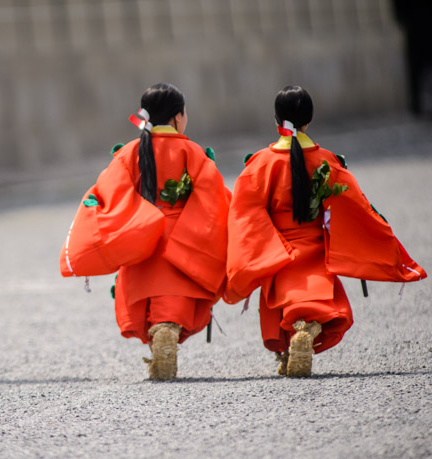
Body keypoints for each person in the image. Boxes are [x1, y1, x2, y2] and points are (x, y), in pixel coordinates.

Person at [225, 85, 427, 377]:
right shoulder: (326, 160)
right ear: (310, 119)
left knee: (280, 303)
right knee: (321, 305)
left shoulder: (260, 164)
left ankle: (288, 348)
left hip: (279, 254)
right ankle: (307, 328)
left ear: (276, 119)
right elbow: (356, 206)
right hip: (316, 251)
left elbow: (244, 213)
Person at [60, 83, 231, 380]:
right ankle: (168, 330)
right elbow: (214, 197)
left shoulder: (128, 153)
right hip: (183, 240)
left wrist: (131, 222)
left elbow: (108, 194)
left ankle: (158, 339)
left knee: (150, 299)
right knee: (175, 299)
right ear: (178, 117)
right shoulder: (192, 152)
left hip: (141, 239)